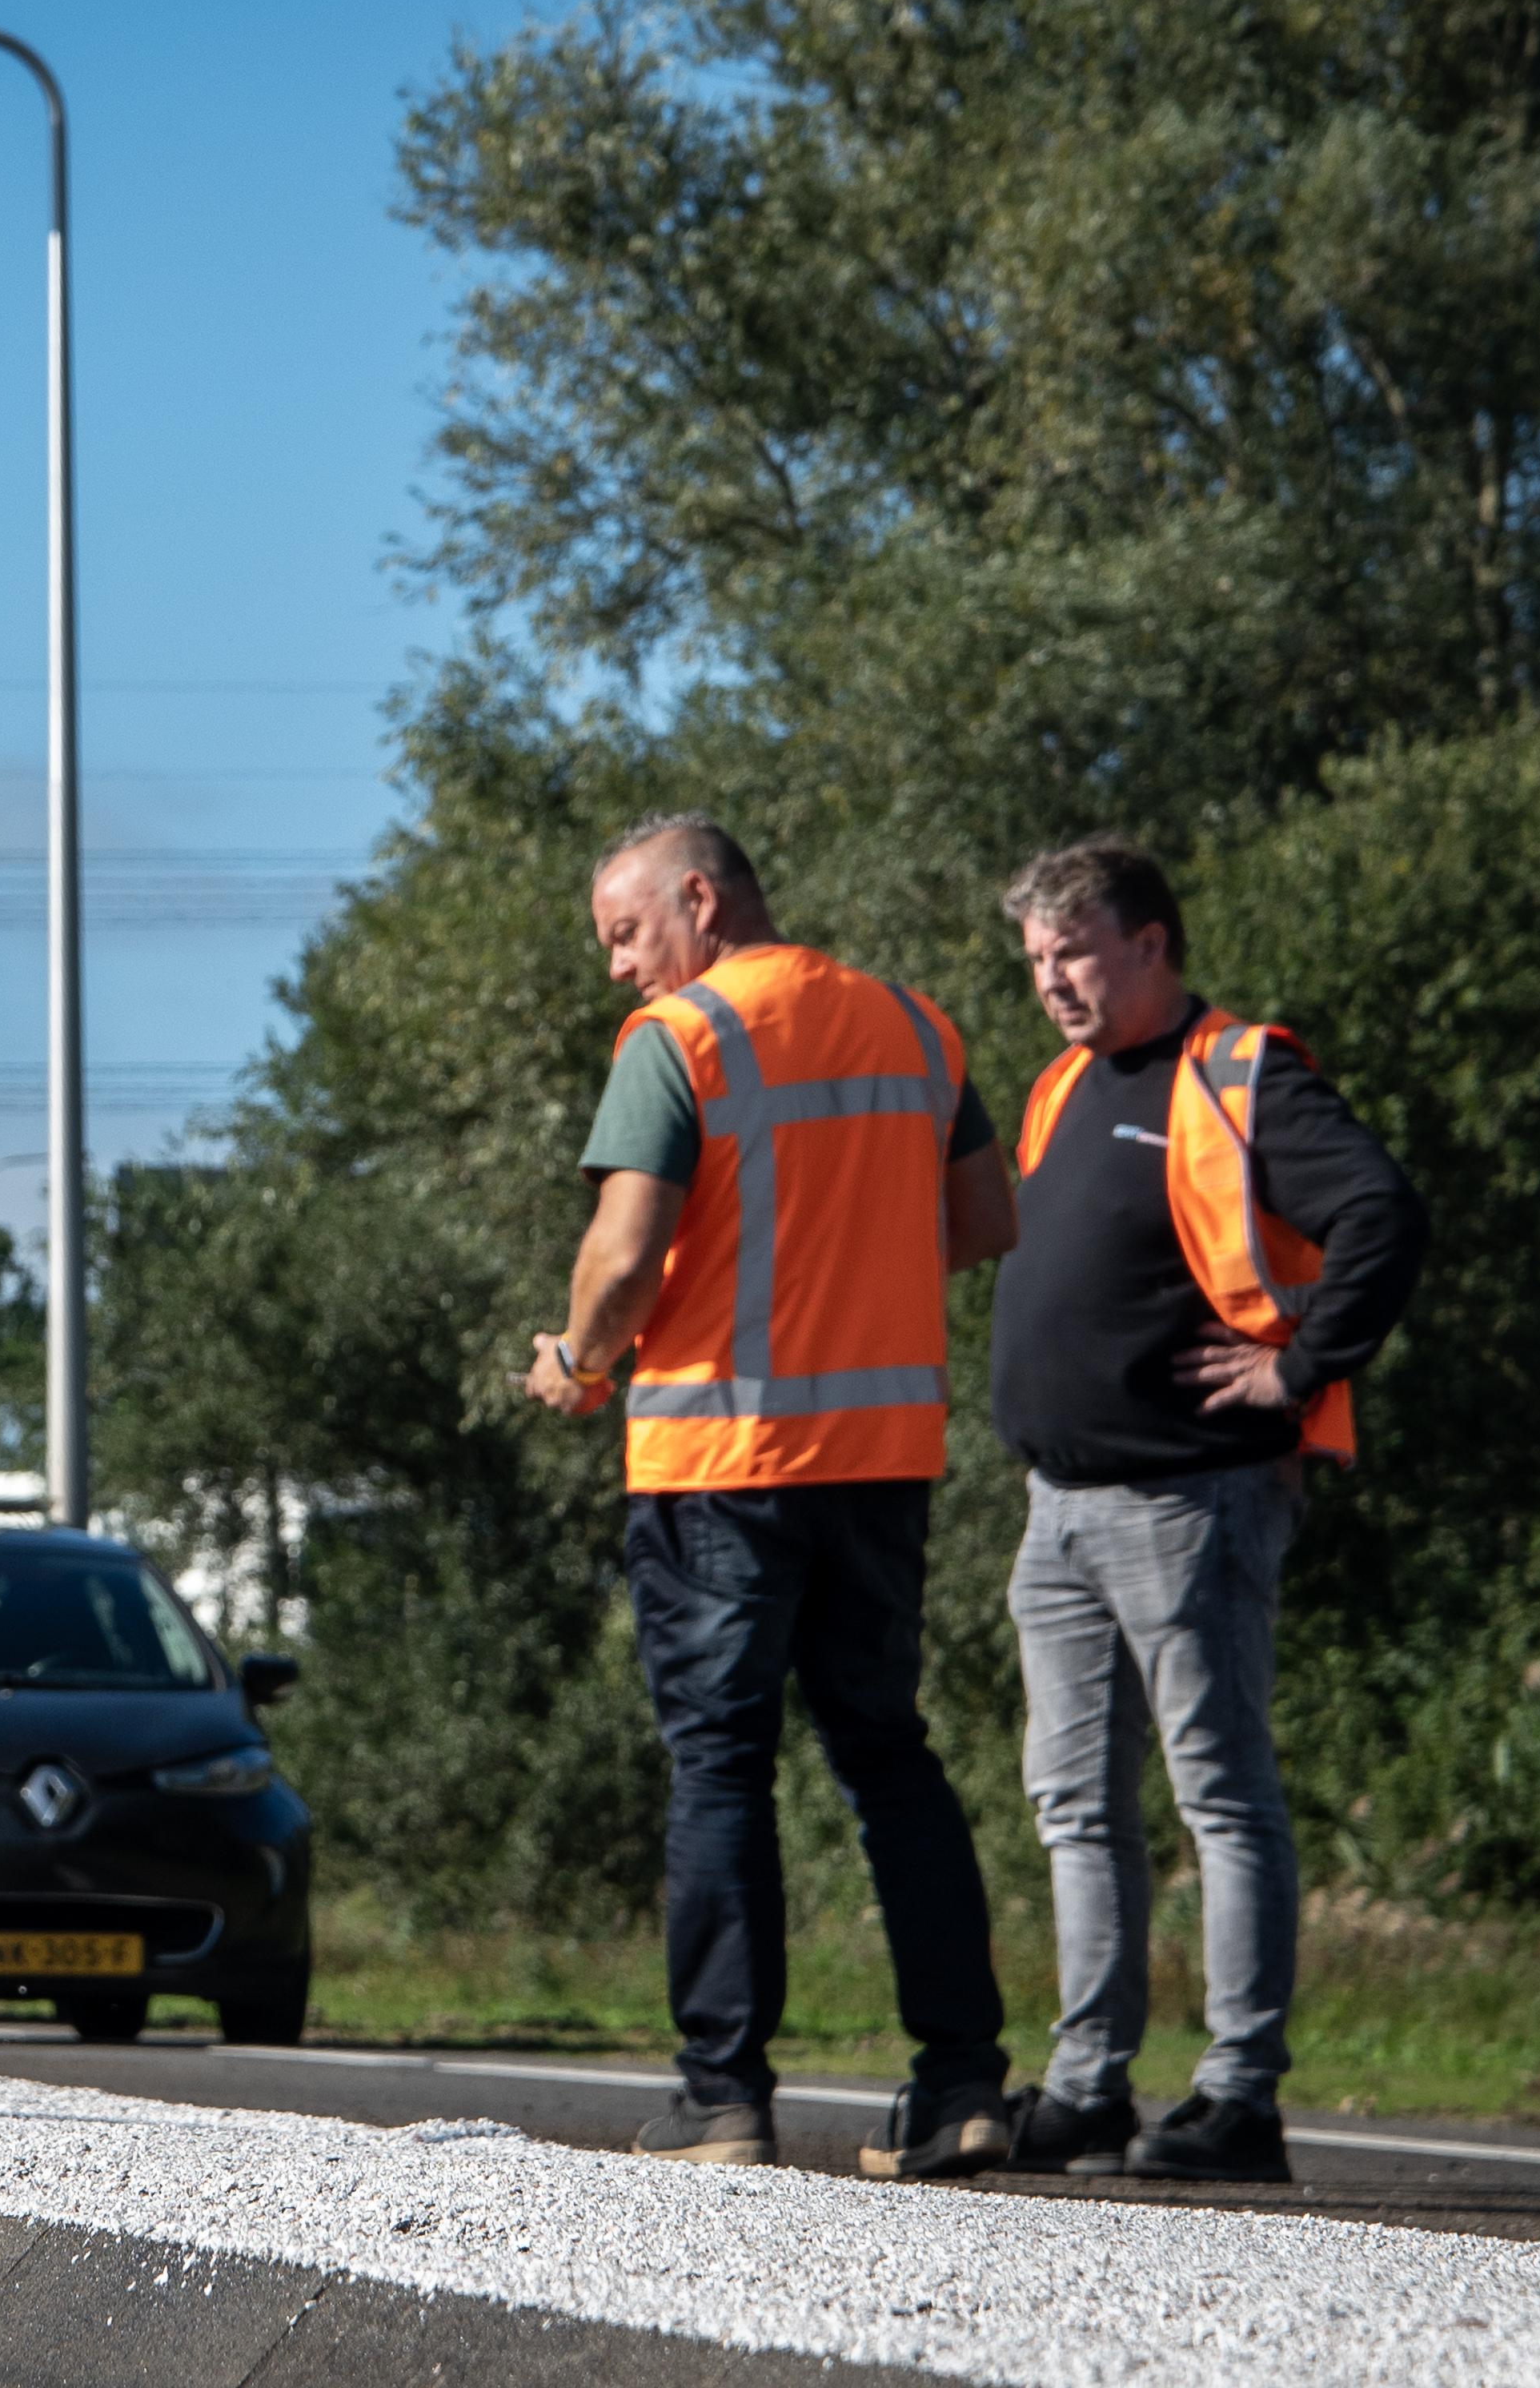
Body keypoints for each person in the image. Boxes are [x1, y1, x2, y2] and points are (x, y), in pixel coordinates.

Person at [519, 815, 1017, 2179]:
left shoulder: (677, 1041)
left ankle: (721, 2098)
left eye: (625, 933)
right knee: (889, 1759)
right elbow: (984, 1224)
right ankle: (963, 2084)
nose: (620, 968)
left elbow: (623, 1262)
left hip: (719, 1469)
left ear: (697, 900)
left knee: (722, 1765)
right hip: (883, 1464)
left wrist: (576, 1362)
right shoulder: (918, 1029)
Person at [990, 837, 1425, 2182]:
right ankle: (1088, 2090)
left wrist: (1299, 1368)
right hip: (1056, 1509)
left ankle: (1240, 2099)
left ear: (1152, 945)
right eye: (1037, 960)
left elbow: (1381, 1215)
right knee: (1075, 1806)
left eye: (1076, 951)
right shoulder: (1064, 1085)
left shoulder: (1238, 1073)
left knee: (1218, 1800)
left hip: (1192, 1499)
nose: (1054, 981)